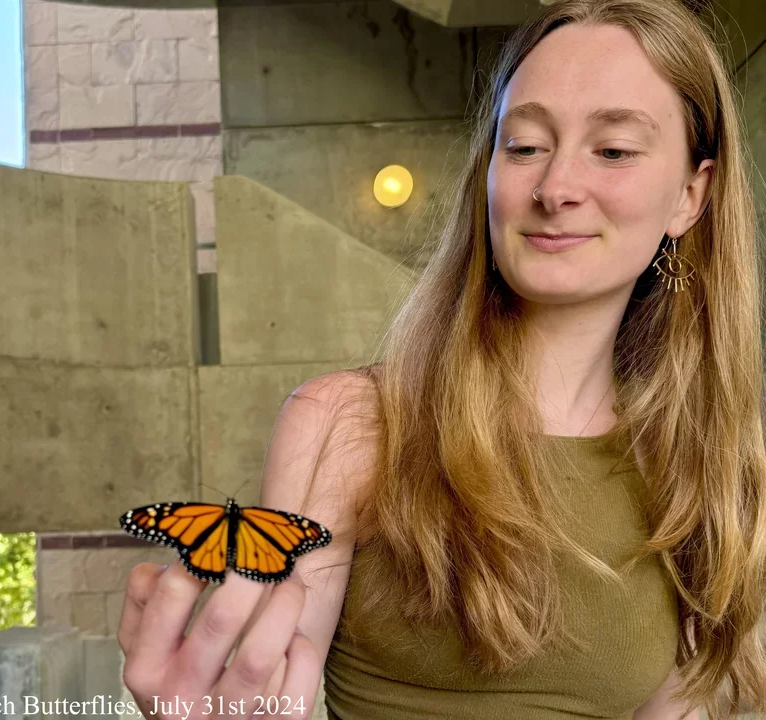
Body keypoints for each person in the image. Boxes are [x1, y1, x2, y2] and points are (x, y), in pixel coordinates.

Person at [116, 0, 766, 718]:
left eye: (612, 150)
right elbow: (267, 689)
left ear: (690, 195)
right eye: (523, 146)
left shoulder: (710, 467)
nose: (555, 189)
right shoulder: (349, 422)